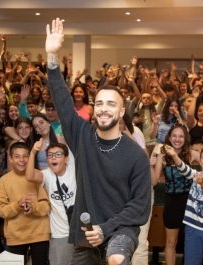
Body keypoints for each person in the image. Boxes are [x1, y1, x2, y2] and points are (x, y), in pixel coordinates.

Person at [46, 18, 151, 265]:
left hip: (121, 230)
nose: (104, 109)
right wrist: (52, 57)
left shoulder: (136, 155)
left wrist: (107, 227)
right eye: (100, 103)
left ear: (122, 111)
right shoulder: (83, 136)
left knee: (115, 259)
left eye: (111, 104)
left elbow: (140, 207)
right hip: (88, 233)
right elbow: (62, 102)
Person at [165, 145, 203, 265]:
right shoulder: (196, 175)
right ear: (200, 161)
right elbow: (183, 168)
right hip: (192, 228)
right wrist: (174, 155)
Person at [0, 142, 50, 265]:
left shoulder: (37, 176)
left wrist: (34, 206)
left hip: (39, 233)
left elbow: (46, 206)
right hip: (16, 235)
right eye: (17, 156)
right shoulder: (3, 181)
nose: (22, 160)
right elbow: (1, 211)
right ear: (10, 158)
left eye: (25, 156)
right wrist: (18, 204)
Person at [25, 140, 76, 265]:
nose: (53, 157)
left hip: (78, 230)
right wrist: (32, 152)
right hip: (59, 233)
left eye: (58, 154)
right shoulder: (47, 174)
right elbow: (29, 176)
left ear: (66, 159)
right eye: (50, 155)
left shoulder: (73, 170)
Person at [152, 124, 193, 265]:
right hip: (171, 203)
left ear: (185, 138)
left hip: (190, 203)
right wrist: (150, 166)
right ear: (169, 138)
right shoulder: (162, 156)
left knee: (190, 242)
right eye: (174, 135)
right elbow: (154, 181)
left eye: (180, 136)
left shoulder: (191, 154)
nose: (177, 139)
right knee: (171, 242)